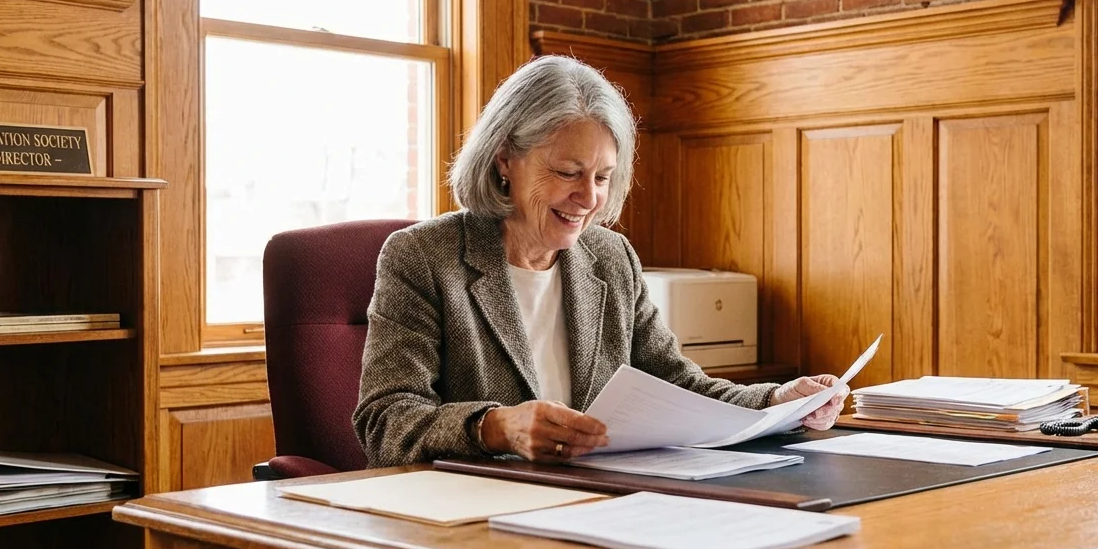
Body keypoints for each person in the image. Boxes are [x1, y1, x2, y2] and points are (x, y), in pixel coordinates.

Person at [353, 55, 846, 468]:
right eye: (568, 172)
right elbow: (385, 420)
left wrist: (777, 401)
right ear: (505, 160)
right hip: (474, 511)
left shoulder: (611, 257)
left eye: (603, 177)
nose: (589, 198)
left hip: (599, 501)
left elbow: (678, 386)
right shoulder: (423, 257)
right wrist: (495, 427)